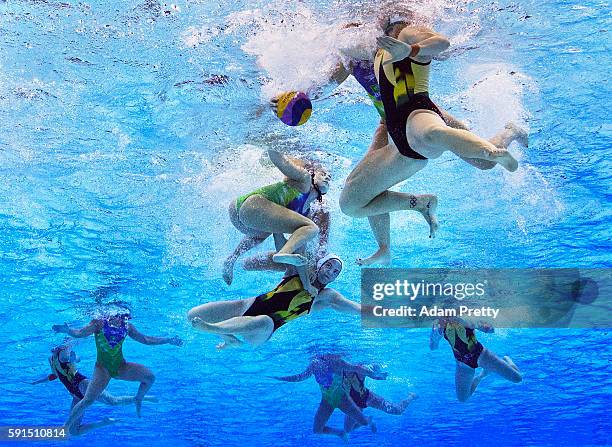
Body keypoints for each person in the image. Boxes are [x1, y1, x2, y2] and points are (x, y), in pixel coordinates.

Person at [338, 15, 528, 265]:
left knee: (483, 163)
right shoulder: (363, 53)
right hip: (391, 123)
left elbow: (439, 44)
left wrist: (413, 49)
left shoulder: (401, 39)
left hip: (422, 112)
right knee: (362, 193)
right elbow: (331, 72)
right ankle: (394, 235)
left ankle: (510, 131)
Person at [189, 236, 359, 350]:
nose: (330, 272)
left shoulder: (326, 297)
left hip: (263, 331)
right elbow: (282, 244)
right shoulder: (297, 272)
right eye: (329, 266)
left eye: (336, 271)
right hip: (246, 306)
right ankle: (229, 338)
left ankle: (215, 329)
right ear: (320, 265)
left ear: (336, 278)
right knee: (193, 314)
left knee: (265, 320)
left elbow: (357, 308)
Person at [52, 308, 183, 435]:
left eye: (123, 317)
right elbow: (80, 332)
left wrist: (168, 340)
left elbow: (146, 339)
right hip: (102, 369)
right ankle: (66, 425)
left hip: (121, 366)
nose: (121, 320)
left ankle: (138, 398)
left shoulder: (127, 326)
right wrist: (68, 330)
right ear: (111, 315)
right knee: (88, 401)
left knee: (150, 377)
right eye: (118, 317)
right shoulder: (99, 323)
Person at [223, 149, 331, 284]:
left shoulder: (306, 212)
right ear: (313, 174)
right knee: (312, 228)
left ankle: (231, 259)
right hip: (249, 206)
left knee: (267, 233)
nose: (327, 177)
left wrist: (307, 285)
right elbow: (280, 161)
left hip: (245, 221)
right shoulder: (304, 178)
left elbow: (297, 249)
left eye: (329, 176)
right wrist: (274, 145)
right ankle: (282, 254)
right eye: (323, 174)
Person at [31, 343, 158, 435]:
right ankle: (104, 422)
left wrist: (75, 358)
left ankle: (142, 398)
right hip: (75, 394)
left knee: (113, 401)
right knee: (74, 431)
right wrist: (38, 382)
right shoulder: (51, 359)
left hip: (83, 384)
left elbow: (73, 358)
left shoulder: (62, 353)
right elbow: (55, 375)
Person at [273, 353, 381, 440]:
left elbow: (356, 368)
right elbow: (301, 377)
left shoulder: (337, 362)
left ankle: (369, 420)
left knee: (364, 422)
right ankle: (339, 433)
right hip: (327, 401)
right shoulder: (314, 365)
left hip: (343, 399)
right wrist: (282, 378)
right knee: (317, 430)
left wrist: (374, 374)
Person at [429, 316, 522, 401]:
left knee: (517, 378)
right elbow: (433, 347)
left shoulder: (466, 315)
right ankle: (480, 377)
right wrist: (436, 337)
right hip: (462, 364)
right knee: (463, 399)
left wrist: (473, 323)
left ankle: (507, 360)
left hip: (482, 355)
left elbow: (491, 330)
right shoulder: (438, 324)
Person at [341, 363, 417, 434]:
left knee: (397, 410)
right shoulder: (338, 370)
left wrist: (377, 374)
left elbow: (373, 367)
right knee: (347, 429)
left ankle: (411, 396)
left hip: (367, 397)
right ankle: (368, 420)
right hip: (354, 404)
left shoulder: (358, 369)